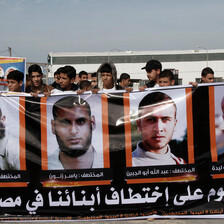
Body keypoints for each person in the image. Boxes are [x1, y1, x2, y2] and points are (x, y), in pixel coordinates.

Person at [132, 92, 185, 166]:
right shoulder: (125, 165)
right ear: (139, 124)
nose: (158, 128)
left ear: (174, 124)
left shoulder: (183, 166)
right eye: (151, 120)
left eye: (165, 119)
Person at [48, 96, 102, 169]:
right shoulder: (43, 165)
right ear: (53, 126)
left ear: (92, 123)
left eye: (81, 122)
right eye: (64, 123)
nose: (73, 131)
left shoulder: (108, 163)